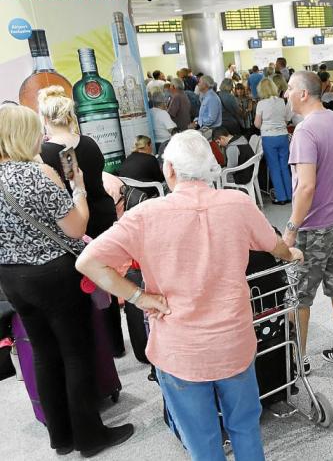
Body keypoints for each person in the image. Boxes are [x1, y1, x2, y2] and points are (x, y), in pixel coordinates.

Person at [76, 130, 301, 461]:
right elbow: (276, 246)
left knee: (202, 442)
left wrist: (139, 297)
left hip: (180, 350)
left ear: (169, 169)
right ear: (210, 168)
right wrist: (291, 252)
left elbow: (88, 261)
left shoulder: (145, 215)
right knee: (245, 428)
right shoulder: (238, 203)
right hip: (233, 342)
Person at [0, 104, 134, 457]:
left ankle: (61, 437)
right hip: (54, 275)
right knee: (76, 352)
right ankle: (90, 437)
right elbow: (75, 228)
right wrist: (78, 190)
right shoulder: (36, 175)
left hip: (12, 277)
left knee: (44, 352)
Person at [37, 86, 125, 357]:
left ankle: (96, 346)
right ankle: (115, 342)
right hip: (104, 214)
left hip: (76, 219)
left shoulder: (45, 153)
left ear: (45, 119)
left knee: (82, 284)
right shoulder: (88, 143)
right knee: (106, 277)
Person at [284, 71, 333, 374]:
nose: (286, 94)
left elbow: (306, 186)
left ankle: (299, 359)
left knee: (299, 296)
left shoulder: (305, 131)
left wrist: (291, 229)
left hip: (313, 227)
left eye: (289, 88)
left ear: (303, 94)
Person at [254, 78, 293, 204]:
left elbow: (257, 124)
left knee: (274, 168)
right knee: (285, 166)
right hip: (283, 136)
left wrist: (266, 126)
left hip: (269, 138)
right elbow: (286, 119)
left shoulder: (261, 104)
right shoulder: (281, 101)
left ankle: (281, 198)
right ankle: (290, 195)